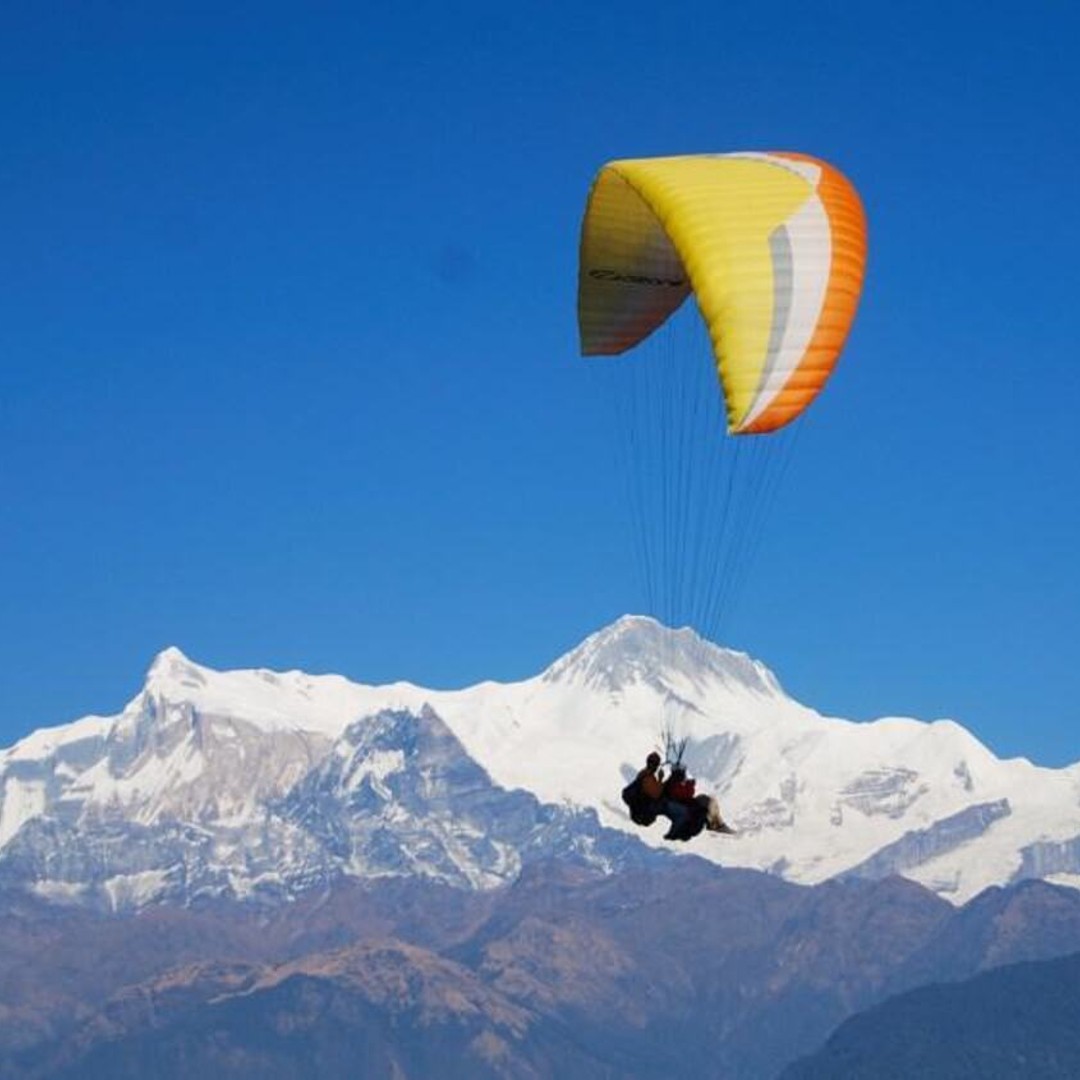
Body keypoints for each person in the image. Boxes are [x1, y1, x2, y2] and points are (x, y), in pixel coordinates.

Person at [661, 764, 735, 841]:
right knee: (706, 804)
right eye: (682, 772)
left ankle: (715, 823)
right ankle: (715, 825)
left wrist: (688, 784)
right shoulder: (673, 783)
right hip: (684, 806)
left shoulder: (673, 782)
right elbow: (686, 794)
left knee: (706, 799)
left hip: (686, 803)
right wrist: (690, 784)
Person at [621, 751, 665, 826]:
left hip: (637, 813)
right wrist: (660, 779)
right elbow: (656, 794)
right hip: (643, 816)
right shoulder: (648, 778)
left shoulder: (643, 773)